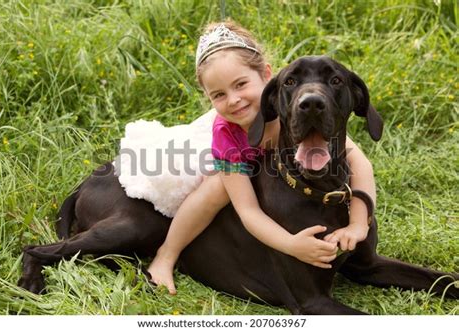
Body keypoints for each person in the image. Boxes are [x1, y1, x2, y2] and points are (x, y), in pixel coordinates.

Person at [147, 21, 376, 294]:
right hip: (218, 162)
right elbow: (249, 212)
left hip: (270, 170)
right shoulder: (226, 134)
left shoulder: (290, 107)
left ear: (266, 76)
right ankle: (166, 255)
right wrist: (292, 245)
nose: (234, 100)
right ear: (208, 98)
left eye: (241, 84)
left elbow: (359, 162)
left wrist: (358, 224)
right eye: (219, 94)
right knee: (217, 189)